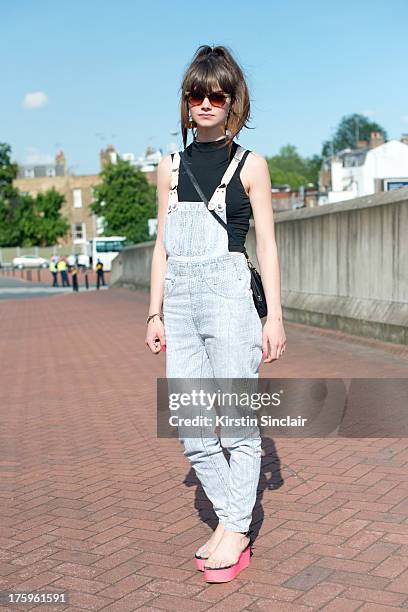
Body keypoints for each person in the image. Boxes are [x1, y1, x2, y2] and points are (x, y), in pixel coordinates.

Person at [144, 45, 286, 582]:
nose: (205, 102)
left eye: (216, 94)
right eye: (195, 94)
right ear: (185, 102)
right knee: (193, 426)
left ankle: (233, 528)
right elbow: (161, 244)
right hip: (178, 300)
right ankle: (234, 520)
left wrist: (274, 317)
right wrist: (153, 312)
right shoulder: (169, 166)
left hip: (230, 298)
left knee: (238, 426)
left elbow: (267, 245)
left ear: (232, 101)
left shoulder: (252, 164)